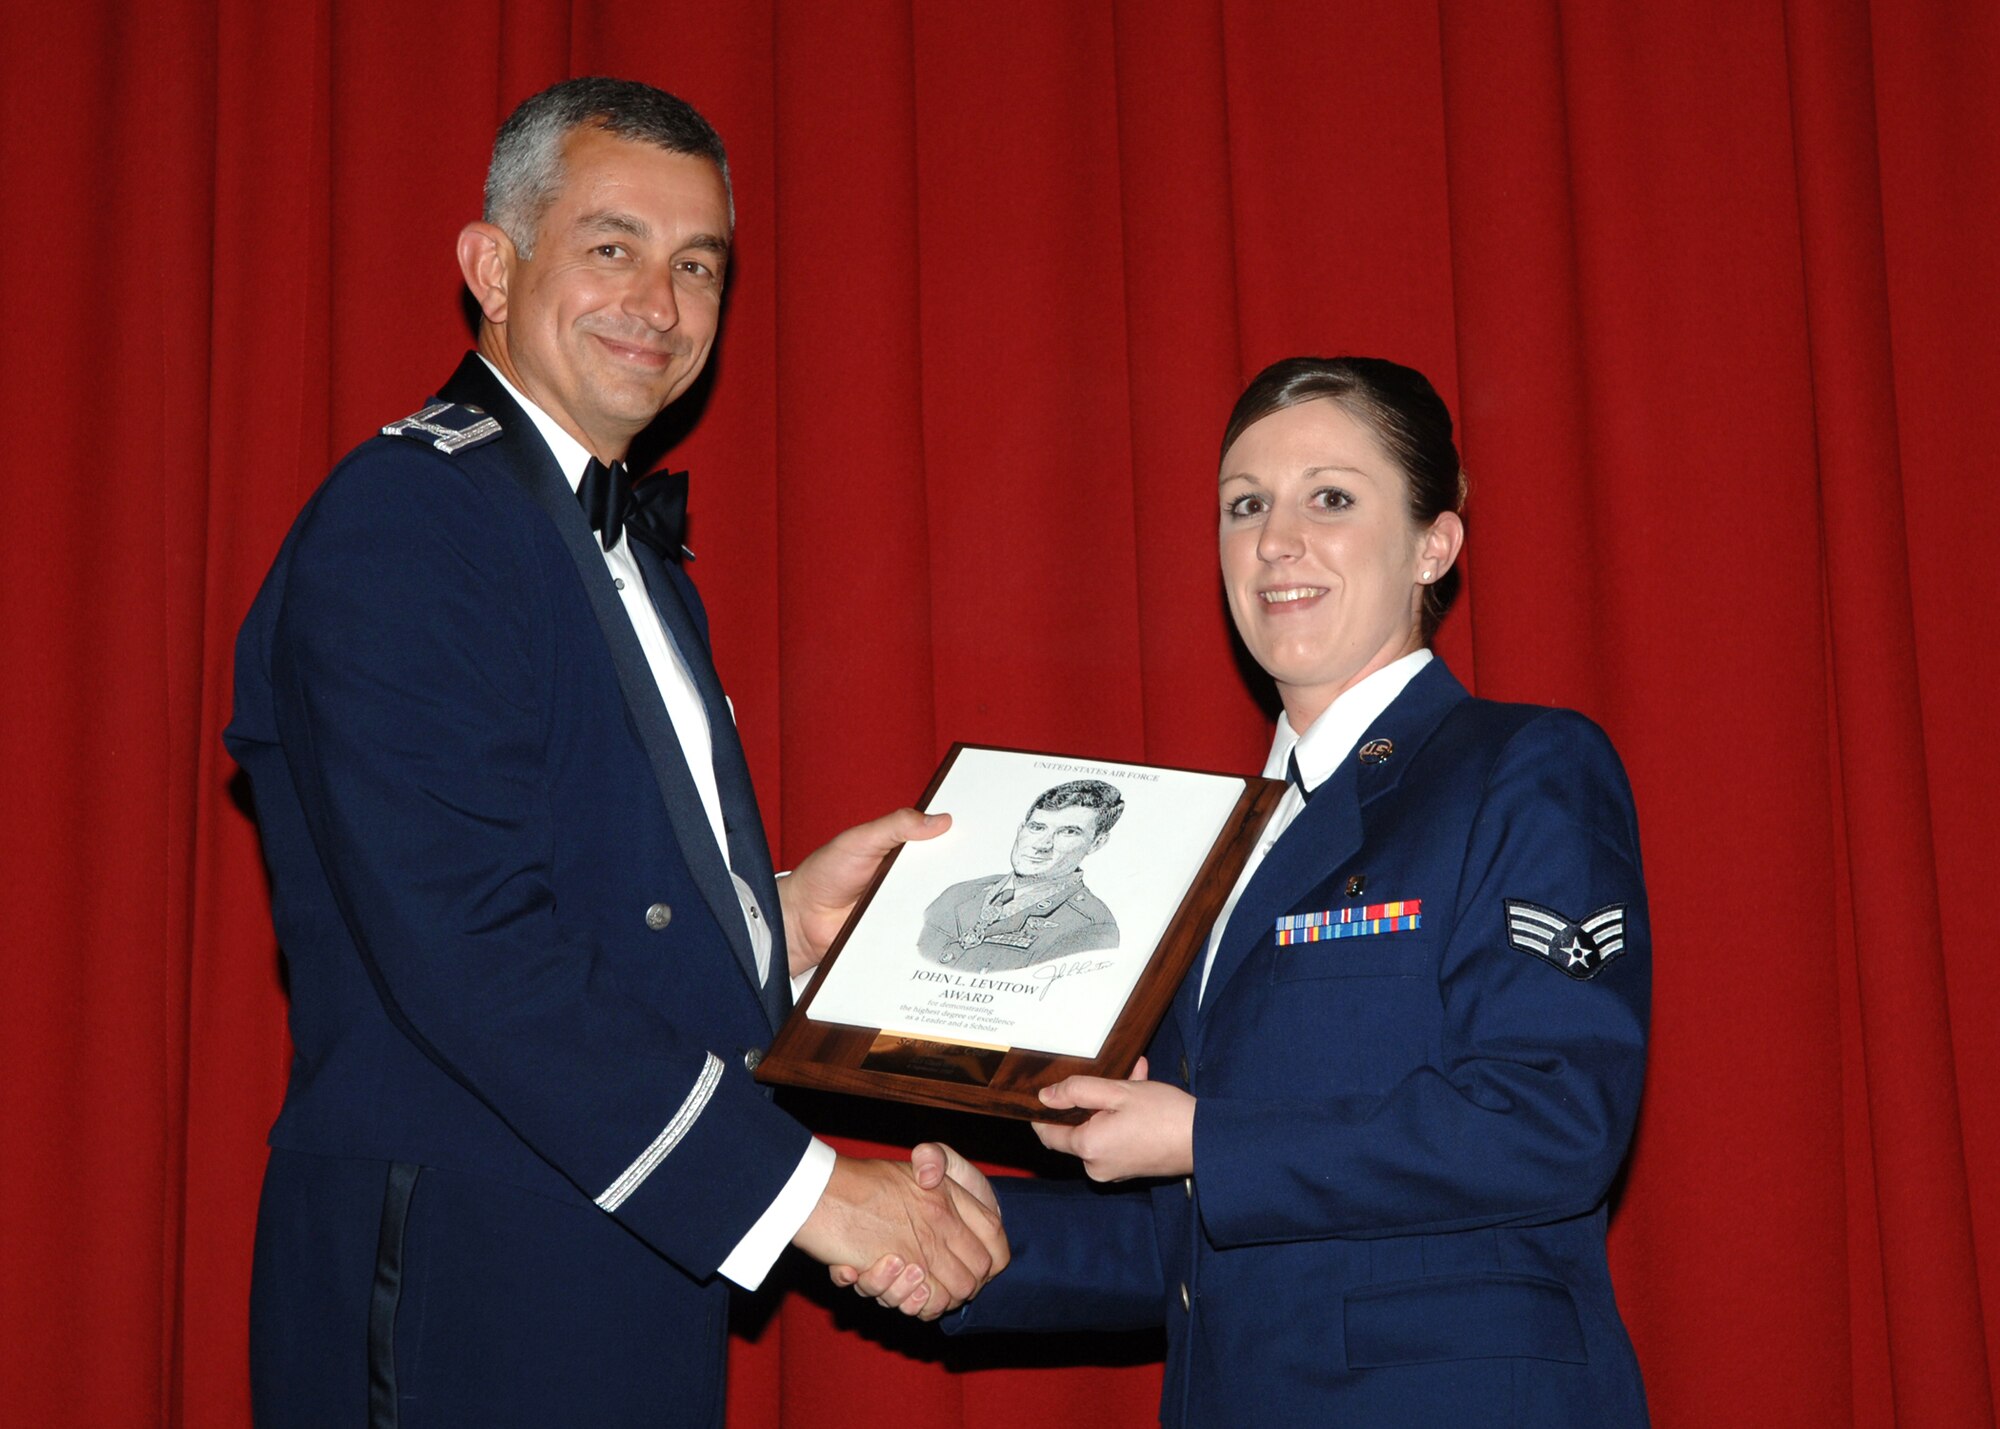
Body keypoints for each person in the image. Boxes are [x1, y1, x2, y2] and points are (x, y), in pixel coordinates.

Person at [226, 77, 1003, 1428]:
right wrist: (812, 1191)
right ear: (491, 265)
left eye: (696, 263)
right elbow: (470, 952)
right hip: (467, 1282)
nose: (659, 301)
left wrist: (778, 927)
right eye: (612, 246)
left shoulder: (625, 548)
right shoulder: (411, 519)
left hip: (619, 1255)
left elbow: (590, 893)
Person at [849, 357, 1652, 1426]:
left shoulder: (1522, 767)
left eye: (1330, 496)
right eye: (1244, 504)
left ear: (1433, 543)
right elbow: (1186, 1231)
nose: (1276, 540)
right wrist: (970, 1230)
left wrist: (1198, 1140)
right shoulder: (1210, 849)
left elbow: (1552, 1121)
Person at [917, 779, 1123, 969]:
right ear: (1021, 829)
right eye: (1037, 827)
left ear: (1097, 843)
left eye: (1068, 832)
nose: (1042, 845)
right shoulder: (959, 893)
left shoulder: (1090, 927)